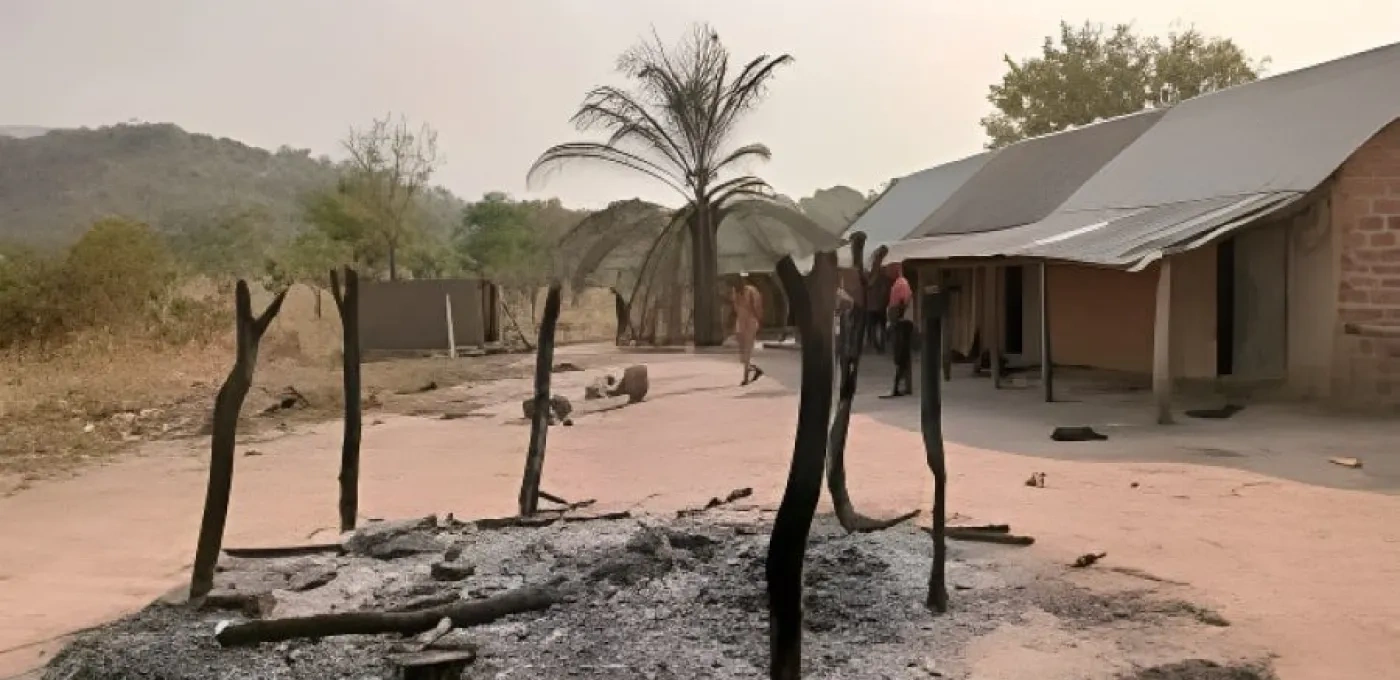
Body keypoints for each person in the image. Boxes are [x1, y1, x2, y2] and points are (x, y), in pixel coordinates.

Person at [881, 262, 914, 398]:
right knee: (903, 356)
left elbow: (902, 303)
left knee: (900, 355)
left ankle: (897, 386)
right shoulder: (899, 283)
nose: (886, 271)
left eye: (889, 268)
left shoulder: (901, 284)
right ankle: (905, 386)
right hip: (901, 322)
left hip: (901, 323)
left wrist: (893, 320)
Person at [731, 273, 765, 385]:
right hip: (741, 322)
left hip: (750, 321)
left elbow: (757, 307)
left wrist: (758, 321)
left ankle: (745, 378)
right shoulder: (734, 292)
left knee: (747, 350)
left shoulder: (751, 291)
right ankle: (754, 369)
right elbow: (735, 308)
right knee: (742, 355)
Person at [865, 263, 890, 353]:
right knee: (881, 327)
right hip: (880, 307)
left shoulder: (869, 279)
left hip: (871, 307)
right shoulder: (885, 280)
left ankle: (877, 346)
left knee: (873, 328)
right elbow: (886, 293)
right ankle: (881, 347)